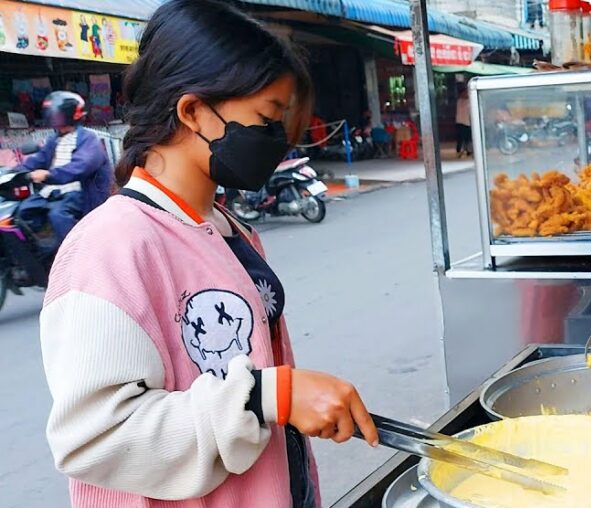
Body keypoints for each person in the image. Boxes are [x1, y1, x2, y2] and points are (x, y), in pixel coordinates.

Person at [39, 2, 378, 507]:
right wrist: (269, 395)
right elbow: (95, 439)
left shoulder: (226, 228)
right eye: (267, 119)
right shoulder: (111, 245)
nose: (280, 142)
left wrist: (276, 399)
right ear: (193, 110)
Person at [16, 91, 112, 252]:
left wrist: (49, 175)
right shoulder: (54, 140)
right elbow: (38, 159)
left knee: (58, 215)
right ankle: (45, 253)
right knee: (24, 211)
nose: (53, 117)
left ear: (70, 115)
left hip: (77, 192)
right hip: (52, 190)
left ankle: (78, 254)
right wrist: (14, 172)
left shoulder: (89, 139)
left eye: (57, 114)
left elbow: (81, 166)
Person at [455, 86, 471, 157]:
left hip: (466, 122)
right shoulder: (461, 101)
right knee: (461, 138)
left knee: (466, 138)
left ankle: (467, 150)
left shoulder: (463, 101)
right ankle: (460, 150)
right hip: (462, 122)